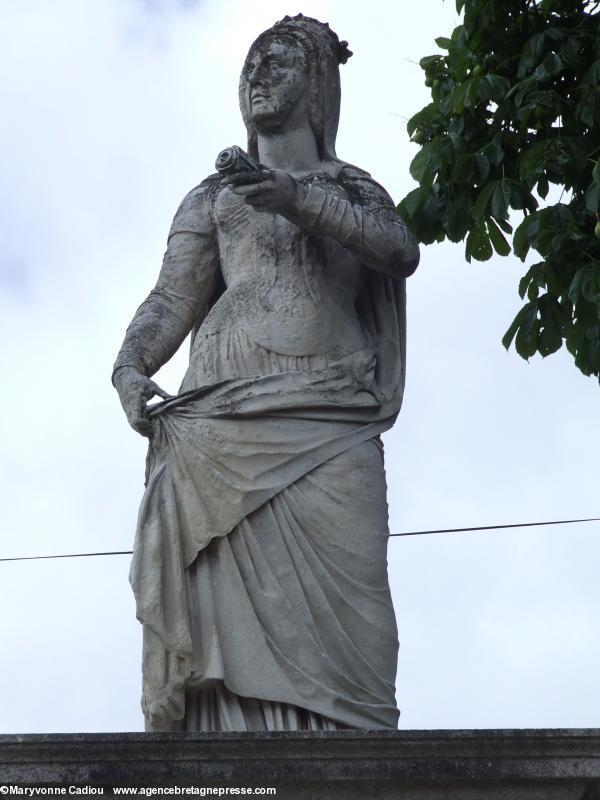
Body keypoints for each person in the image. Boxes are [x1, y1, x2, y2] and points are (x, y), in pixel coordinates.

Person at [113, 13, 419, 732]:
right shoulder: (212, 195)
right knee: (217, 630)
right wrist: (129, 367)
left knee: (357, 612)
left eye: (276, 63)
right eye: (249, 66)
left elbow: (397, 251)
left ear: (316, 85)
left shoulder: (353, 187)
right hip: (218, 425)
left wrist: (299, 199)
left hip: (329, 415)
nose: (257, 77)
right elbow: (170, 298)